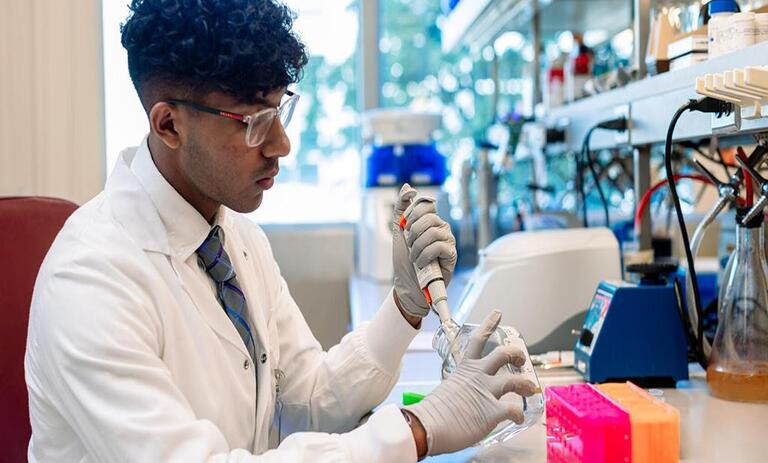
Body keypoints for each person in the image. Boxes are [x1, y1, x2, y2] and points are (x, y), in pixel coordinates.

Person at [24, 1, 534, 461]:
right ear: (169, 125)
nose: (282, 145)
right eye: (253, 122)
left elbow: (311, 400)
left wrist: (405, 306)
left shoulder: (235, 239)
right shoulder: (90, 278)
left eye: (280, 109)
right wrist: (418, 429)